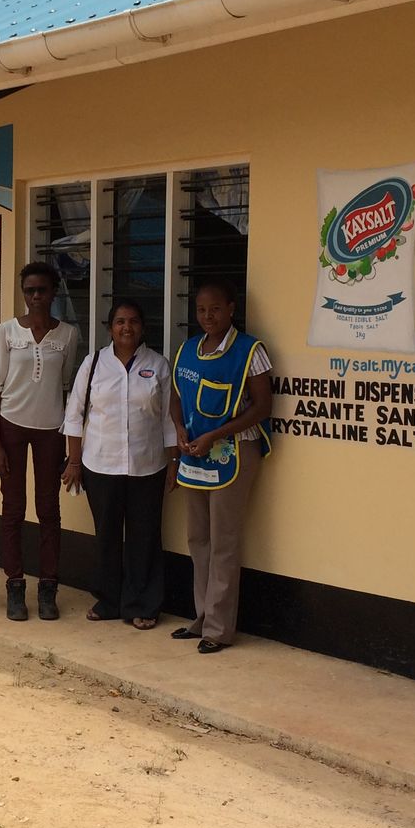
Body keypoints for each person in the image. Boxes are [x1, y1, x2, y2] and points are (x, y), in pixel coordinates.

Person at [168, 280, 273, 654]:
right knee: (198, 538)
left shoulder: (250, 351)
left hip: (234, 452)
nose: (207, 316)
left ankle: (218, 628)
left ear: (231, 309)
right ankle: (201, 617)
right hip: (196, 453)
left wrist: (216, 435)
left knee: (224, 542)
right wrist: (179, 429)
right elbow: (176, 397)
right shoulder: (188, 350)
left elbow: (262, 407)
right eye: (201, 310)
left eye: (215, 309)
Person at [61, 300, 178, 629]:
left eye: (134, 321)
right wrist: (74, 462)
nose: (127, 327)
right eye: (120, 321)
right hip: (100, 465)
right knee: (107, 535)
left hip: (147, 466)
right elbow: (74, 414)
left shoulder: (158, 365)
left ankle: (143, 604)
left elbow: (169, 419)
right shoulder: (94, 363)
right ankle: (109, 600)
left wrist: (173, 463)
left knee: (145, 537)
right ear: (110, 327)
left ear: (143, 327)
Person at [0, 262, 80, 621]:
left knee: (48, 511)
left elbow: (66, 387)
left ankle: (48, 589)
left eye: (42, 290)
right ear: (23, 293)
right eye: (30, 290)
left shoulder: (68, 335)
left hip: (50, 431)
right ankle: (15, 586)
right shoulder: (7, 332)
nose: (36, 296)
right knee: (13, 509)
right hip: (11, 426)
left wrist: (69, 446)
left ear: (54, 292)